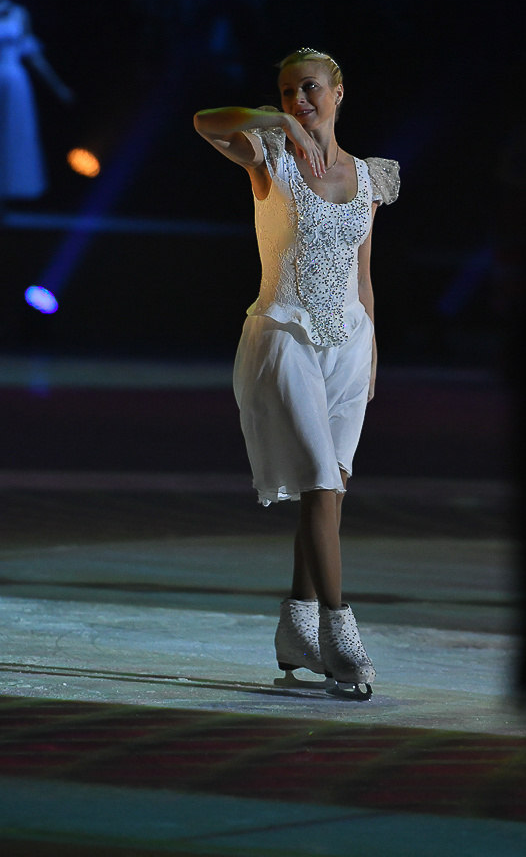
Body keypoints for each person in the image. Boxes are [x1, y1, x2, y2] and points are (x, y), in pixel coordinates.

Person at [194, 48, 399, 697]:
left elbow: (363, 279)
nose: (299, 101)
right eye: (287, 92)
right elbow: (205, 122)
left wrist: (371, 353)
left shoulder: (368, 177)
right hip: (282, 339)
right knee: (317, 485)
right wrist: (273, 123)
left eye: (309, 89)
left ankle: (296, 630)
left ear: (339, 92)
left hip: (347, 348)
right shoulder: (270, 156)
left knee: (329, 496)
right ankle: (341, 640)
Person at [0, 0, 74, 203]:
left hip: (14, 81)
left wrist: (58, 86)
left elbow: (34, 56)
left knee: (14, 136)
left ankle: (10, 195)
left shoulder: (19, 13)